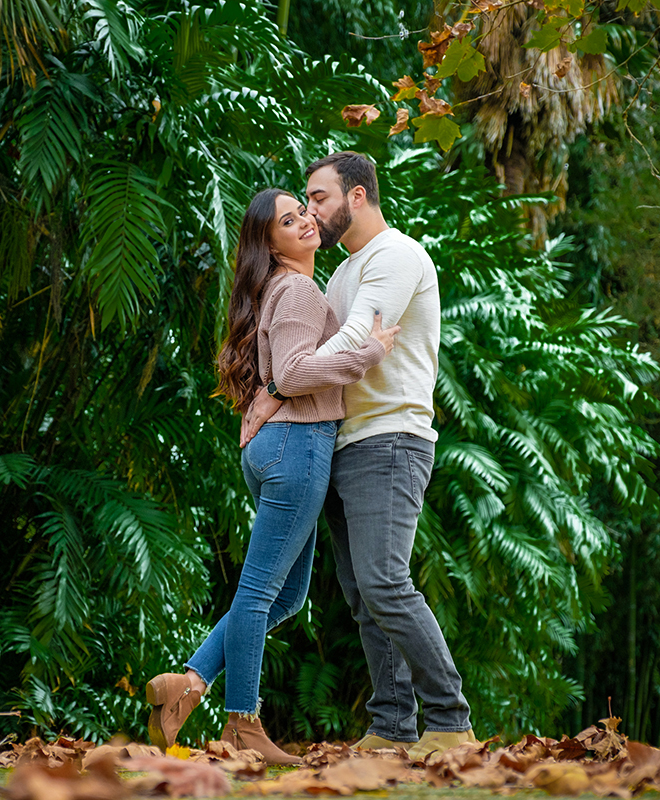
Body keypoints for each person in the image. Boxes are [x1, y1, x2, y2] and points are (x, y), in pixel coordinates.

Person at [145, 188, 400, 765]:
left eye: (304, 211)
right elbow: (292, 371)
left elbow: (280, 372)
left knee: (284, 594)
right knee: (261, 593)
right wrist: (367, 354)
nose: (306, 221)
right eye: (289, 220)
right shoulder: (297, 290)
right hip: (299, 446)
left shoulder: (281, 289)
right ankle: (243, 725)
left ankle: (188, 684)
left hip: (280, 448)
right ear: (271, 243)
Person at [241, 152, 475, 760]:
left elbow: (352, 344)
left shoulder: (395, 256)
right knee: (360, 592)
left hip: (391, 437)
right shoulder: (341, 274)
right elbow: (316, 358)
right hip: (345, 440)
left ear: (358, 197)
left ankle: (451, 722)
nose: (311, 211)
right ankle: (393, 724)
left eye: (318, 198)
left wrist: (280, 384)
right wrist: (278, 386)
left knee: (384, 580)